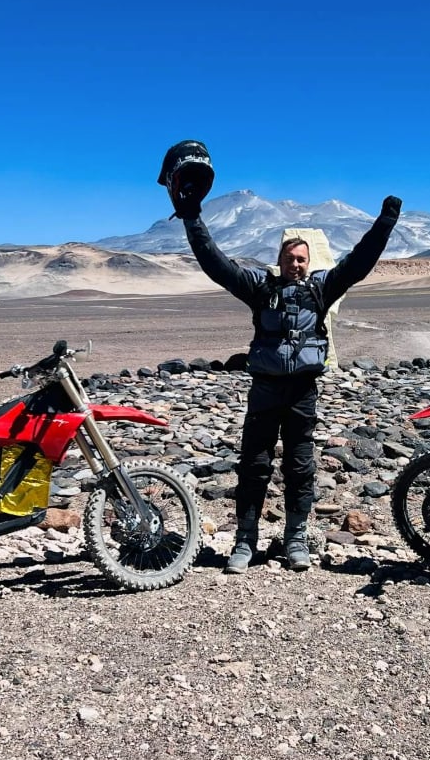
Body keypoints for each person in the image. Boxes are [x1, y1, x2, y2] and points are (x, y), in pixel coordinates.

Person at [162, 144, 401, 573]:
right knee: (253, 466)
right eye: (290, 258)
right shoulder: (259, 288)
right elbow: (215, 264)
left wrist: (384, 224)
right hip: (265, 390)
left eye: (302, 259)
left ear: (310, 263)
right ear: (279, 260)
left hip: (302, 392)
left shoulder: (321, 289)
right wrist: (192, 217)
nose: (296, 264)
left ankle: (295, 540)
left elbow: (359, 263)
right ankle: (244, 542)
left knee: (300, 466)